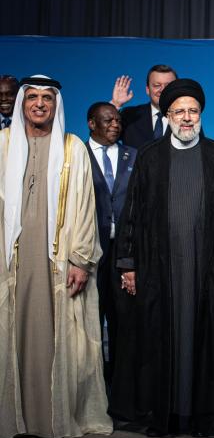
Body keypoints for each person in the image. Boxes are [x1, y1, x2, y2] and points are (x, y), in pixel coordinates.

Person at [110, 79, 214, 437]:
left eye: (193, 111)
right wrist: (128, 264)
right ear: (168, 115)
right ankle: (166, 413)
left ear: (201, 115)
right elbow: (132, 213)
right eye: (180, 111)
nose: (187, 118)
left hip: (208, 268)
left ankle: (203, 414)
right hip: (161, 269)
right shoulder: (150, 155)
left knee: (208, 340)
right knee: (159, 339)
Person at [0, 75, 112, 438]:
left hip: (58, 259)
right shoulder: (2, 144)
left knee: (59, 336)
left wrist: (81, 259)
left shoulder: (72, 147)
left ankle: (54, 416)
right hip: (11, 261)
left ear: (56, 105)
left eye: (47, 98)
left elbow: (84, 207)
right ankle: (13, 417)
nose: (39, 104)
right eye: (31, 97)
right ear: (21, 103)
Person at [85, 101, 137, 380]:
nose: (115, 124)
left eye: (118, 120)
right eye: (108, 120)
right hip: (90, 251)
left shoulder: (133, 156)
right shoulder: (77, 155)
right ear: (92, 124)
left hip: (125, 252)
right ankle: (93, 389)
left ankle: (121, 389)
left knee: (124, 323)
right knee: (90, 323)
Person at [113, 65, 178, 149]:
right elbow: (104, 138)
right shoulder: (130, 115)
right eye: (157, 85)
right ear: (147, 90)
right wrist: (115, 104)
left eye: (168, 85)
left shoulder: (188, 117)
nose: (163, 90)